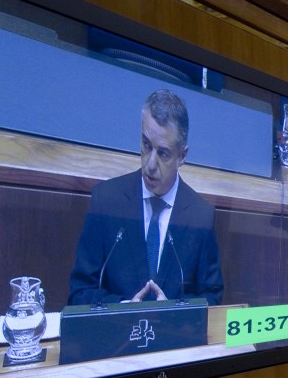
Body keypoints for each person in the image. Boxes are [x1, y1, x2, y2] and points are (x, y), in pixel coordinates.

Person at [69, 89, 224, 306]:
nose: (150, 164)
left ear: (181, 156)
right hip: (117, 328)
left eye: (163, 153)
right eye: (146, 145)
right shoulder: (106, 200)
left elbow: (212, 298)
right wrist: (123, 309)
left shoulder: (201, 216)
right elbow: (80, 292)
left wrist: (173, 311)